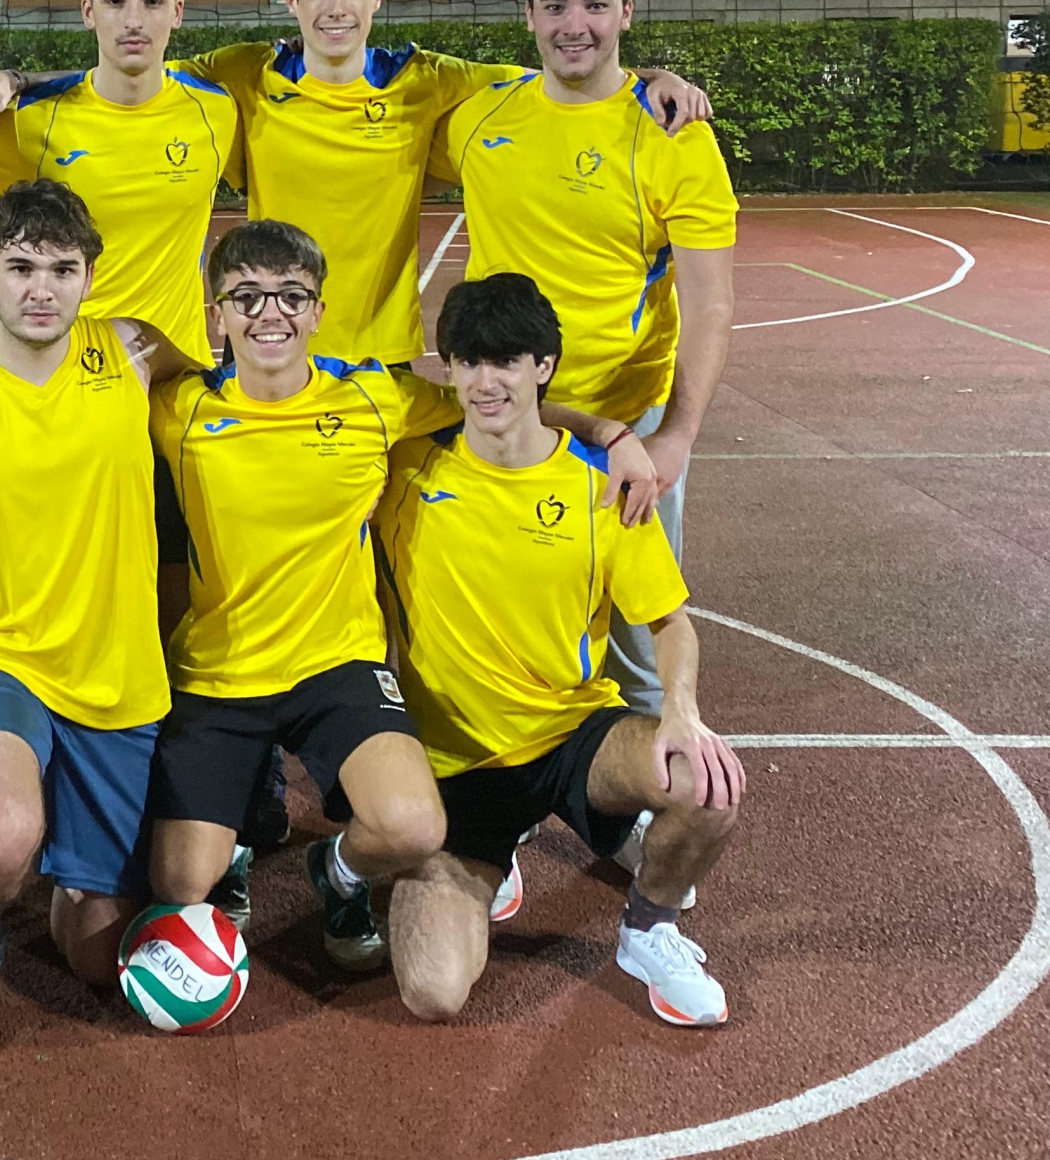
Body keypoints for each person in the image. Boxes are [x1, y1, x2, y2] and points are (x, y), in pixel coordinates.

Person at [144, 219, 662, 965]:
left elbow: (499, 398)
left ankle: (338, 873)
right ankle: (230, 845)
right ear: (217, 313)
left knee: (413, 826)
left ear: (318, 312)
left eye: (291, 295)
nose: (270, 313)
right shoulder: (179, 407)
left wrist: (612, 434)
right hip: (220, 672)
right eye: (247, 296)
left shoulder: (373, 397)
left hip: (337, 664)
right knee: (178, 885)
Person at [0, 0, 709, 365]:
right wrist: (11, 77)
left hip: (382, 359)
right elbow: (126, 70)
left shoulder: (429, 80)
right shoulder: (241, 78)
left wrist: (650, 76)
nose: (336, 7)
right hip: (264, 348)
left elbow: (565, 70)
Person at [380, 274, 746, 1028]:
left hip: (572, 735)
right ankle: (496, 851)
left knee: (707, 785)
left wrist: (682, 712)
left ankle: (648, 932)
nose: (486, 381)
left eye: (506, 361)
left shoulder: (602, 487)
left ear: (543, 366)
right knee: (433, 991)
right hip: (455, 764)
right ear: (448, 368)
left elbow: (670, 623)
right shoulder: (404, 468)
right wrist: (612, 427)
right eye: (469, 361)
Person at [0, 180, 193, 1056]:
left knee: (98, 955)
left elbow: (220, 394)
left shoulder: (134, 351)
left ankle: (44, 849)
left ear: (91, 275)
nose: (42, 289)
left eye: (62, 269)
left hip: (117, 672)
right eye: (20, 268)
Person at [437, 0, 738, 725]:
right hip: (501, 417)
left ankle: (646, 774)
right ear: (528, 15)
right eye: (556, 6)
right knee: (500, 627)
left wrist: (676, 436)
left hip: (621, 428)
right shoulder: (480, 113)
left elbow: (711, 303)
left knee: (641, 643)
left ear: (627, 12)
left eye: (597, 5)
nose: (576, 25)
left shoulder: (674, 136)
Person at [0, 0, 239, 369]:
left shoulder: (217, 110)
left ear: (177, 12)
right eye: (115, 1)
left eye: (153, 1)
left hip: (177, 376)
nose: (133, 20)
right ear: (89, 12)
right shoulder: (30, 120)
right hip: (72, 378)